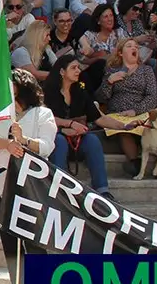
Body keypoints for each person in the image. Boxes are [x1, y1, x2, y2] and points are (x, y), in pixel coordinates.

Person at [0, 69, 56, 284]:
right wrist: (7, 144)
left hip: (30, 185)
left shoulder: (43, 114)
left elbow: (47, 146)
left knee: (34, 242)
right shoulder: (2, 113)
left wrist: (24, 141)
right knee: (9, 240)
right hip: (2, 180)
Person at [46, 56, 113, 200]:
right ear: (62, 72)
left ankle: (103, 191)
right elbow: (45, 117)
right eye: (73, 68)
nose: (78, 71)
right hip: (55, 138)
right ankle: (61, 191)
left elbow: (99, 118)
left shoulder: (80, 91)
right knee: (60, 140)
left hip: (77, 140)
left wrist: (125, 126)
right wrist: (67, 125)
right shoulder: (47, 91)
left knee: (92, 140)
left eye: (78, 67)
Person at [95, 38, 157, 177]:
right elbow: (101, 97)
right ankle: (135, 164)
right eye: (129, 46)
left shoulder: (146, 70)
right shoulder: (112, 70)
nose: (134, 48)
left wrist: (135, 110)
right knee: (123, 127)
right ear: (120, 53)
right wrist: (109, 82)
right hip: (119, 114)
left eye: (136, 46)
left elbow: (152, 96)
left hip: (141, 110)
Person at [77, 4, 123, 94]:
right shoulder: (90, 35)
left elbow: (125, 49)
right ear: (98, 21)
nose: (110, 19)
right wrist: (97, 57)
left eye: (111, 15)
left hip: (117, 68)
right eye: (106, 17)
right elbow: (82, 59)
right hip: (96, 73)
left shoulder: (119, 32)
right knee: (100, 64)